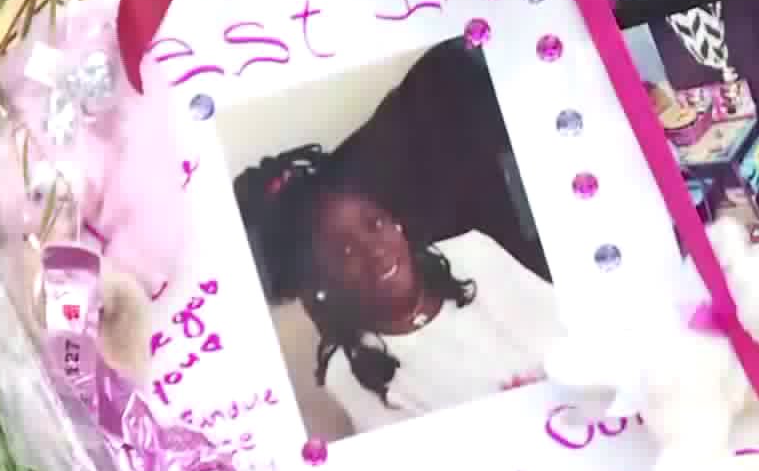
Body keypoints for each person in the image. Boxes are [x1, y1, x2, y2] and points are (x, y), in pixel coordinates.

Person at [233, 39, 559, 434]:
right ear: (324, 281)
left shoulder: (471, 252)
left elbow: (572, 334)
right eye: (346, 250)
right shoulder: (351, 372)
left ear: (396, 222)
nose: (373, 250)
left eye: (374, 224)